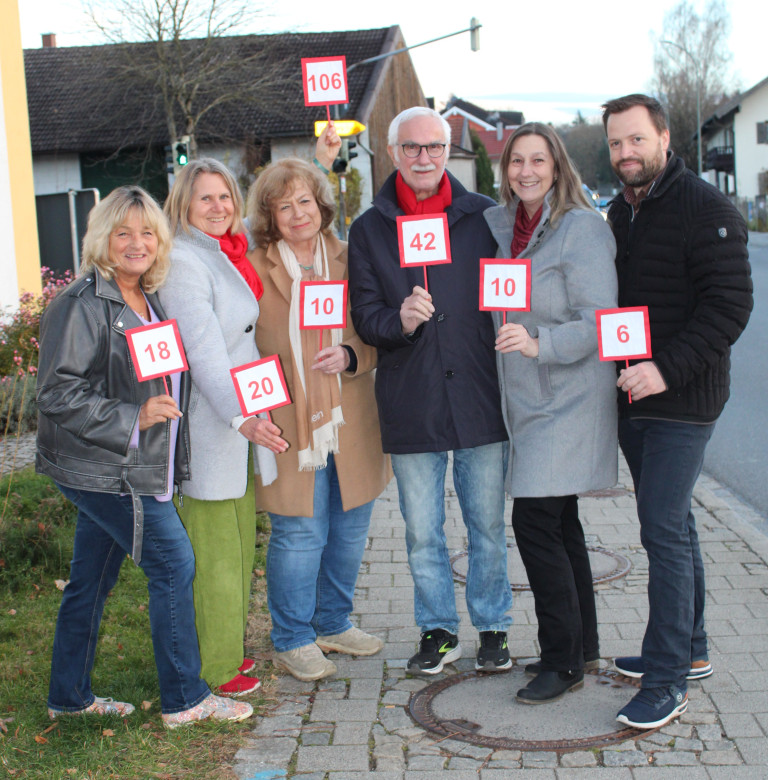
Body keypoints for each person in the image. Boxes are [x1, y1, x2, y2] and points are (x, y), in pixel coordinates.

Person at [36, 186, 252, 728]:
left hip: (131, 465)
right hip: (107, 469)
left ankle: (68, 696)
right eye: (123, 232)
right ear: (101, 239)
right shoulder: (82, 304)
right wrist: (133, 419)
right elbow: (57, 393)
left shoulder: (144, 298)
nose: (137, 243)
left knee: (90, 580)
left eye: (148, 232)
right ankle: (185, 700)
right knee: (173, 564)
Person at [602, 94, 752, 728]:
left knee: (661, 530)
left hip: (683, 398)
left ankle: (667, 681)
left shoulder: (707, 209)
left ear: (663, 137)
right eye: (615, 143)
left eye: (636, 139)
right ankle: (689, 649)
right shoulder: (619, 211)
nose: (625, 153)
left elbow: (729, 309)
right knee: (676, 525)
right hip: (633, 396)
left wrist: (665, 368)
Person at [348, 106, 513, 675]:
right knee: (422, 531)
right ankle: (438, 628)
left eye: (434, 147)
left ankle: (493, 626)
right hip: (411, 400)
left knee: (488, 524)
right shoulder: (369, 228)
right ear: (392, 153)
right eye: (412, 148)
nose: (424, 158)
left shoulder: (484, 217)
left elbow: (511, 291)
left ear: (448, 152)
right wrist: (401, 319)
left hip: (479, 394)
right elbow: (365, 318)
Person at [483, 123, 618, 703]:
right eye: (517, 161)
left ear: (557, 167)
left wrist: (541, 345)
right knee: (561, 525)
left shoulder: (580, 228)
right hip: (528, 397)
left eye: (538, 160)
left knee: (533, 522)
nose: (527, 171)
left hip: (568, 396)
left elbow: (598, 319)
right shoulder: (505, 227)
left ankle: (561, 662)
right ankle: (582, 645)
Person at [246, 153, 392, 681]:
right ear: (269, 216)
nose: (297, 213)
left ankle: (332, 621)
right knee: (300, 532)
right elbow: (237, 342)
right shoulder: (253, 268)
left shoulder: (352, 259)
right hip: (287, 421)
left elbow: (377, 333)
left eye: (304, 201)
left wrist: (352, 356)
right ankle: (292, 637)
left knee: (351, 527)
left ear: (321, 204)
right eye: (283, 206)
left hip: (350, 415)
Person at [160, 158, 286, 697]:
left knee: (237, 543)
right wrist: (243, 417)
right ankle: (213, 667)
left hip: (239, 419)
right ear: (183, 203)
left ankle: (228, 650)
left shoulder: (221, 254)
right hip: (215, 426)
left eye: (225, 197)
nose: (218, 207)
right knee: (215, 551)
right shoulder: (186, 263)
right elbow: (206, 354)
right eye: (205, 198)